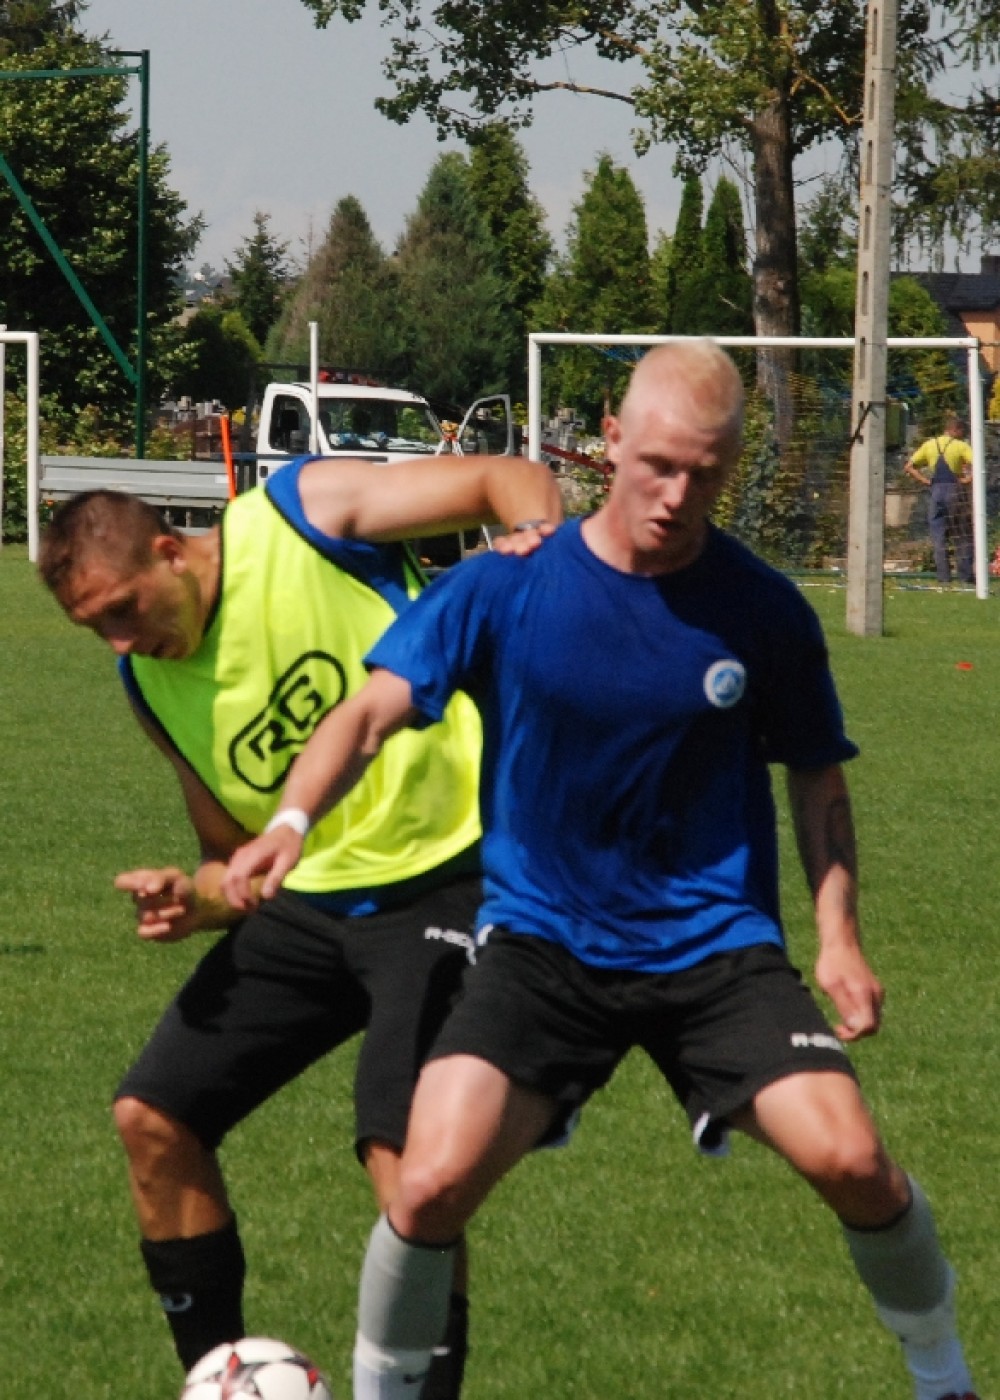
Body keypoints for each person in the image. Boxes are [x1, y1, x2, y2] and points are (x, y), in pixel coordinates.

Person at [224, 341, 979, 1400]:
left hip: (714, 947)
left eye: (704, 474)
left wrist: (839, 937)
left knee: (853, 1159)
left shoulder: (762, 609)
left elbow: (817, 777)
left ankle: (945, 1376)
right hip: (543, 945)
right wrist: (293, 819)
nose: (675, 495)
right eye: (657, 464)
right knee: (428, 1183)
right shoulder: (505, 584)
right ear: (610, 442)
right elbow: (368, 711)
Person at [37, 449, 562, 1396]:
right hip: (314, 902)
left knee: (404, 1157)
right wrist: (195, 898)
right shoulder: (151, 687)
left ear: (170, 552)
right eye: (93, 629)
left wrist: (545, 554)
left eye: (122, 609)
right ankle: (220, 1380)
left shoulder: (298, 514)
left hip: (454, 872)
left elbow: (503, 478)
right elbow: (233, 856)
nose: (117, 643)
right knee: (152, 1119)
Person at [902, 416, 974, 585]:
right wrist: (967, 479)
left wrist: (926, 481)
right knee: (962, 534)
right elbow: (978, 464)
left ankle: (943, 577)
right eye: (962, 432)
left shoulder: (929, 444)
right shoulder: (961, 446)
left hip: (936, 492)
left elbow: (909, 467)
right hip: (955, 490)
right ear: (956, 430)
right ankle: (965, 576)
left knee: (938, 536)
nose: (963, 435)